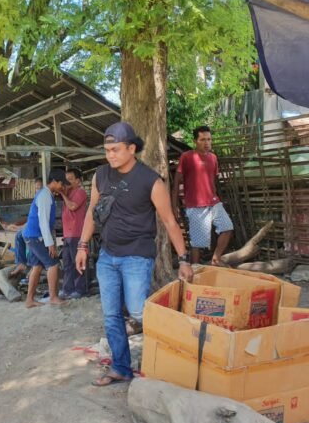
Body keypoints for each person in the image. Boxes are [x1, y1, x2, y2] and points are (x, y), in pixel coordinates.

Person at [75, 121, 194, 387]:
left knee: (140, 313)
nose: (110, 155)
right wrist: (82, 246)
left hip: (137, 256)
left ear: (131, 148)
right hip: (107, 256)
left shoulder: (150, 180)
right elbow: (92, 214)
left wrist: (184, 260)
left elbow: (170, 222)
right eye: (107, 150)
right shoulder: (101, 176)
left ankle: (170, 359)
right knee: (111, 315)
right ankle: (121, 368)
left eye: (116, 149)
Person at [172, 125, 234, 266]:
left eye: (209, 139)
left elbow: (213, 181)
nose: (207, 143)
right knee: (197, 244)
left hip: (213, 202)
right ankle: (194, 270)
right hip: (196, 205)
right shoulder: (187, 157)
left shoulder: (213, 158)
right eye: (202, 140)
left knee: (228, 228)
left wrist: (216, 196)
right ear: (195, 141)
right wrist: (174, 207)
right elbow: (176, 184)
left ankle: (215, 258)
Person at [22, 169, 69, 308]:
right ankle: (53, 297)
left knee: (37, 266)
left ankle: (29, 300)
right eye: (61, 184)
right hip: (36, 236)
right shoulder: (45, 196)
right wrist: (50, 244)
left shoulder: (46, 194)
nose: (62, 187)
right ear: (54, 181)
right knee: (53, 264)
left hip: (33, 235)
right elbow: (43, 222)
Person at [60, 168, 88, 298]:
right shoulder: (69, 192)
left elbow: (72, 206)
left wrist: (63, 194)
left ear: (78, 180)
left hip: (77, 233)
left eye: (70, 179)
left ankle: (79, 289)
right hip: (67, 234)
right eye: (66, 180)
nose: (68, 182)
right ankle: (67, 289)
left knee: (78, 263)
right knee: (67, 264)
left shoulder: (80, 192)